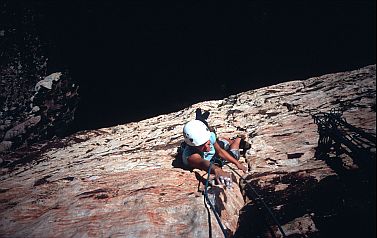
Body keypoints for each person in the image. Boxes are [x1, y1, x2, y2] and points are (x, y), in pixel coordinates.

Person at [182, 119, 248, 184]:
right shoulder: (190, 156)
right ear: (193, 146)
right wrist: (217, 169)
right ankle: (233, 140)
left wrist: (237, 163)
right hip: (212, 155)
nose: (207, 147)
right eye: (201, 145)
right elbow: (202, 162)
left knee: (232, 153)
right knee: (234, 154)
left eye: (207, 143)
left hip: (214, 149)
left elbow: (220, 151)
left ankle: (235, 140)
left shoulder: (209, 137)